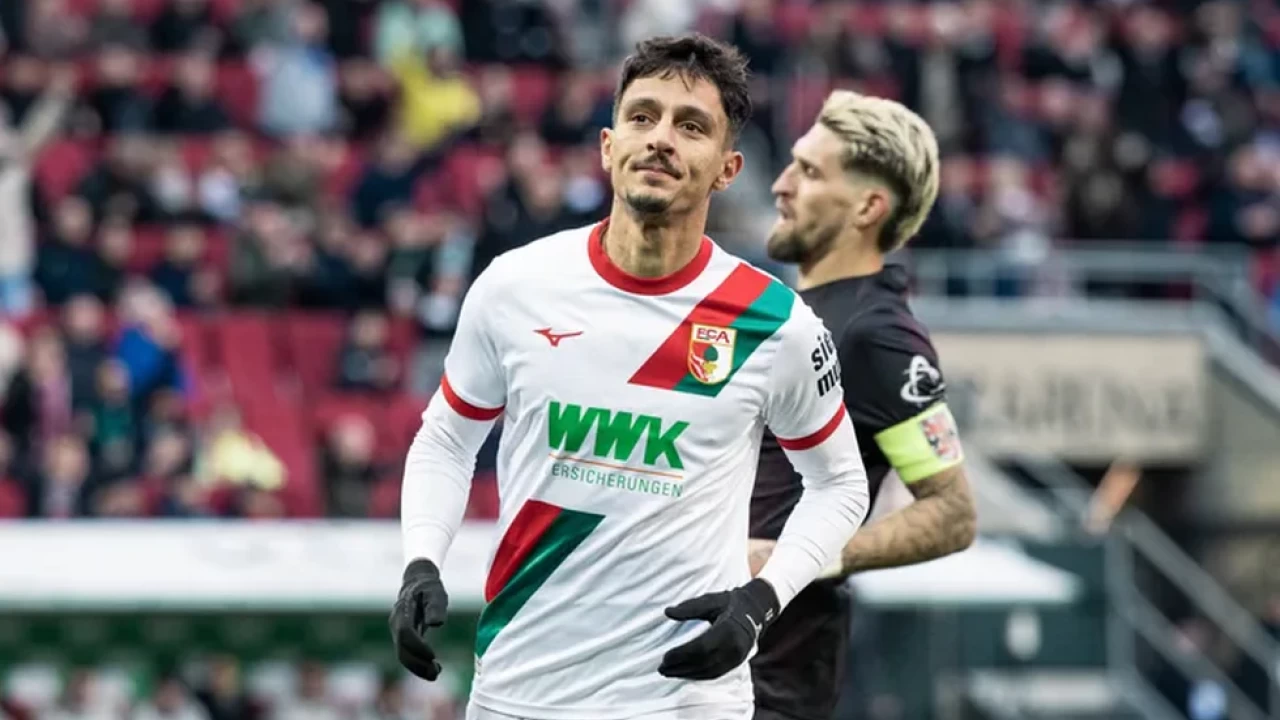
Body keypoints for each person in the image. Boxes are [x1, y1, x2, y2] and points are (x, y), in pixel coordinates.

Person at [390, 34, 872, 720]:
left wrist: (762, 602)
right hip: (520, 692)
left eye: (691, 126)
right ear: (608, 146)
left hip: (687, 702)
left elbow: (841, 484)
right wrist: (421, 561)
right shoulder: (515, 286)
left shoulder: (774, 322)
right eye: (643, 117)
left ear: (727, 168)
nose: (661, 139)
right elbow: (446, 439)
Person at [746, 90, 979, 720]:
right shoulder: (788, 312)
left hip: (770, 683)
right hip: (708, 671)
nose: (781, 185)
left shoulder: (878, 335)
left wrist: (806, 557)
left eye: (810, 172)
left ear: (868, 208)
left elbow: (953, 513)